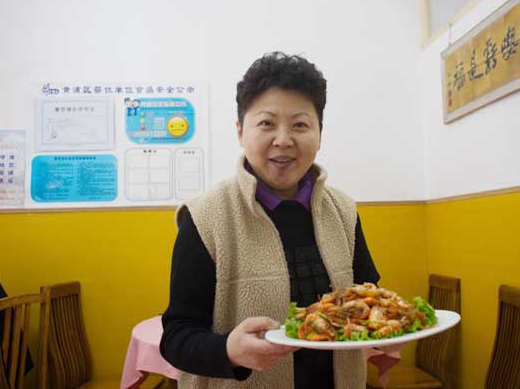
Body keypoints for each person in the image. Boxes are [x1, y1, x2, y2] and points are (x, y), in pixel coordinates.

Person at [160, 52, 382, 389]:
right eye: (266, 123)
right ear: (240, 131)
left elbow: (370, 298)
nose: (283, 140)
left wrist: (387, 328)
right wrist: (228, 350)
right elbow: (176, 337)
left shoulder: (344, 211)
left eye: (300, 124)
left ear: (319, 134)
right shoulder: (205, 218)